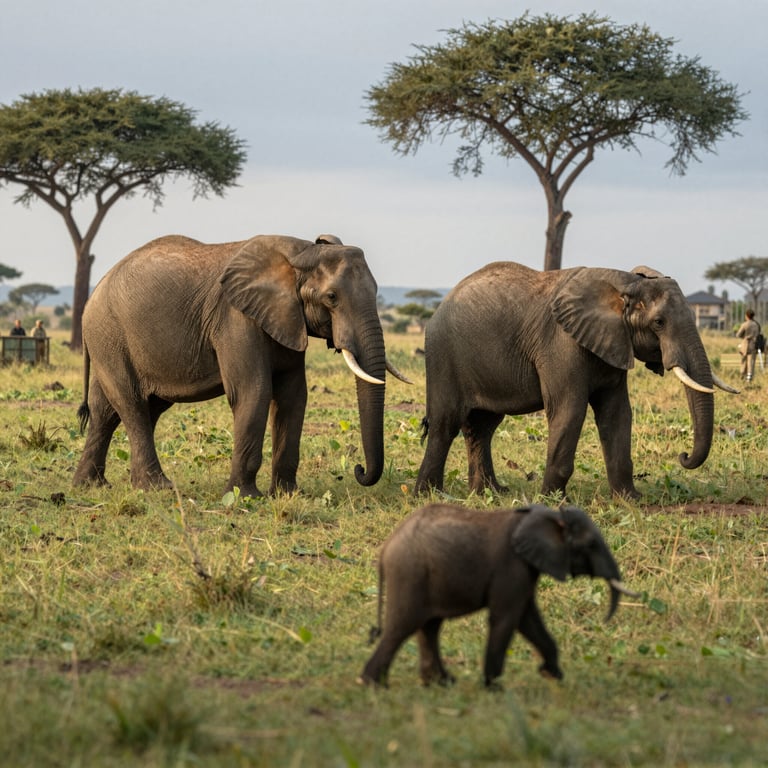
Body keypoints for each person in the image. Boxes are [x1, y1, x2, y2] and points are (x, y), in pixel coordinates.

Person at [736, 308, 760, 382]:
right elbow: (758, 334)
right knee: (751, 362)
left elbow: (738, 334)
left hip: (745, 345)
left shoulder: (745, 324)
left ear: (747, 316)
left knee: (743, 362)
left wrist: (745, 336)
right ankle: (749, 378)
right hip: (753, 345)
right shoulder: (756, 324)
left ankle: (742, 376)